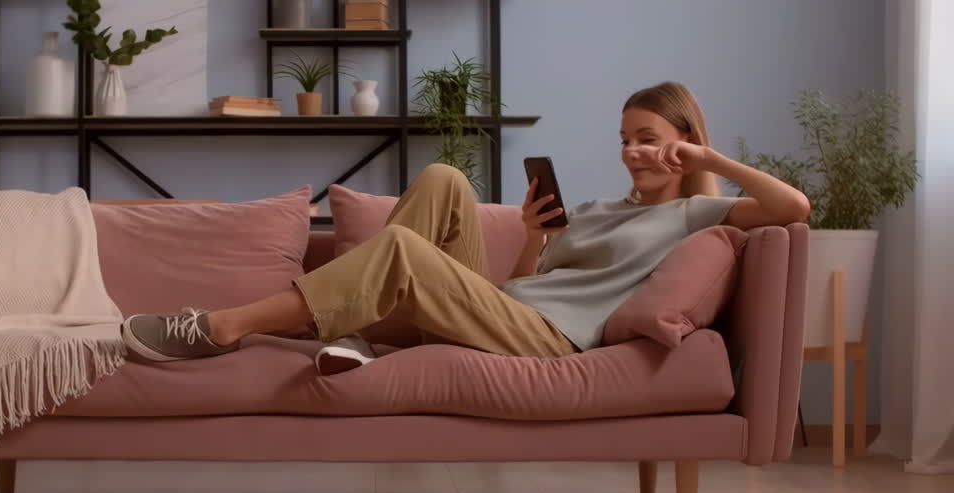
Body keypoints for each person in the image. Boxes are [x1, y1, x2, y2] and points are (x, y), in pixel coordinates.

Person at [120, 81, 810, 375]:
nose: (632, 152)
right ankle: (350, 330)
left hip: (550, 341)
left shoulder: (696, 214)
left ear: (683, 140)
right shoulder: (603, 208)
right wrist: (535, 236)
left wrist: (710, 161)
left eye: (648, 138)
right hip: (508, 310)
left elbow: (793, 208)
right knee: (446, 178)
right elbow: (530, 284)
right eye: (625, 139)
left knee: (399, 247)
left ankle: (223, 328)